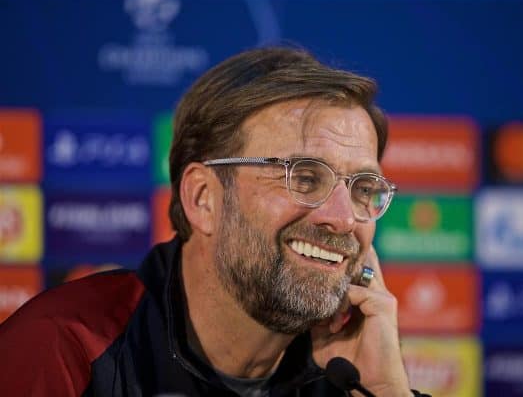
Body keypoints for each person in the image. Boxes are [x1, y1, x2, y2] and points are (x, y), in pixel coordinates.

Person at [0, 47, 429, 397]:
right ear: (203, 198)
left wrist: (385, 389)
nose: (342, 219)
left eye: (362, 188)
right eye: (303, 176)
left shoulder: (349, 375)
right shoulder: (62, 350)